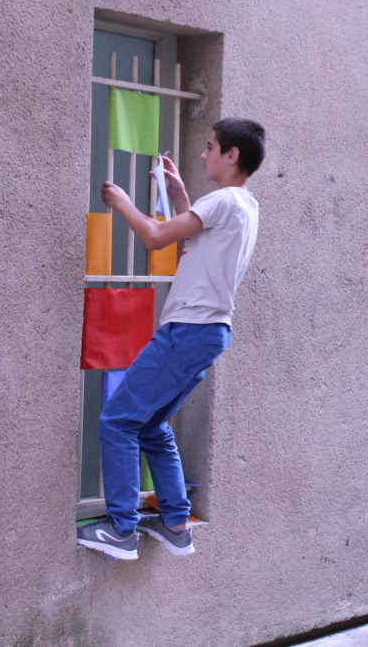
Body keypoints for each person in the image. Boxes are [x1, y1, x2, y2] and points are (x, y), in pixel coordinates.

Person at [76, 118, 265, 560]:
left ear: (231, 155)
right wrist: (178, 190)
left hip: (188, 331)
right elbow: (193, 228)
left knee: (118, 419)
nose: (204, 155)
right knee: (151, 426)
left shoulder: (222, 201)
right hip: (210, 332)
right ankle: (176, 523)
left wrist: (122, 203)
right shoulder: (244, 204)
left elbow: (157, 235)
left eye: (210, 146)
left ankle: (122, 530)